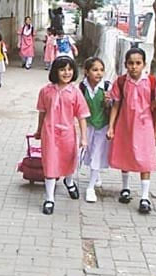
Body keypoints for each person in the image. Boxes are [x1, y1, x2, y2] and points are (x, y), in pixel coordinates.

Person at [107, 47, 156, 214]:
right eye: (130, 63)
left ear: (144, 64)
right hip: (125, 124)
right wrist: (111, 126)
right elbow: (116, 105)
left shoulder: (151, 82)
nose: (134, 67)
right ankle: (125, 188)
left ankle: (145, 197)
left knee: (145, 159)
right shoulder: (121, 81)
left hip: (145, 126)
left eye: (138, 63)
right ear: (125, 64)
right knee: (126, 155)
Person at [35, 56, 90, 215]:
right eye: (62, 69)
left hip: (68, 133)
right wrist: (39, 130)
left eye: (69, 69)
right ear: (55, 71)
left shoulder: (75, 92)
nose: (66, 73)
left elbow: (82, 116)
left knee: (68, 161)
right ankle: (50, 198)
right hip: (50, 133)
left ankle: (69, 181)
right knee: (50, 164)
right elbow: (42, 112)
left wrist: (84, 138)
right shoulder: (46, 91)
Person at [79, 57, 111, 202]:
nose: (99, 73)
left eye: (101, 70)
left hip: (102, 126)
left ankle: (90, 188)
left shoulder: (106, 87)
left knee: (97, 152)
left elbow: (114, 108)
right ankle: (95, 175)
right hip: (88, 125)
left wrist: (108, 102)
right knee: (90, 151)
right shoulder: (82, 87)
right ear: (86, 72)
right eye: (95, 70)